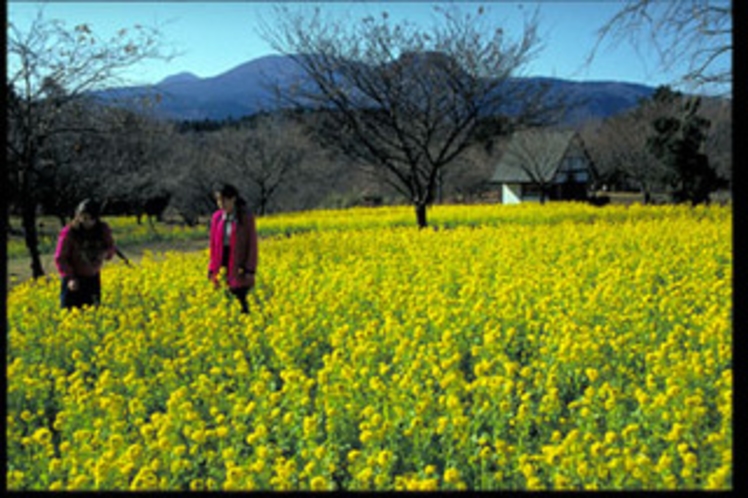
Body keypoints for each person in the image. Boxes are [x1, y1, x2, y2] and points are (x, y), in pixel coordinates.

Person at [54, 199, 116, 310]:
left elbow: (111, 248)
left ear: (95, 218)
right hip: (74, 280)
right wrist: (70, 277)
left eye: (89, 218)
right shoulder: (69, 232)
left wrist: (106, 253)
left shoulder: (102, 230)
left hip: (93, 279)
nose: (85, 221)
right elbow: (60, 257)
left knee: (93, 313)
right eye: (82, 217)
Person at [208, 184, 258, 314]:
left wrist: (250, 269)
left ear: (233, 199)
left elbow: (251, 244)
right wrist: (212, 268)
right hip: (222, 263)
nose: (221, 204)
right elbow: (213, 245)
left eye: (224, 200)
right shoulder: (216, 218)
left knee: (241, 302)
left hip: (239, 265)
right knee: (225, 304)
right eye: (218, 200)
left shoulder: (245, 217)